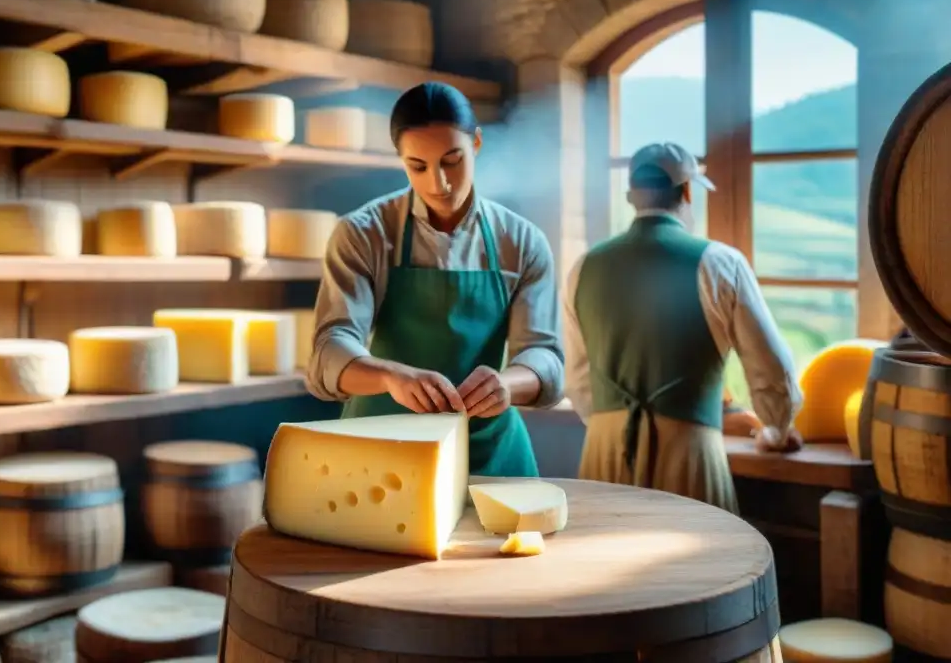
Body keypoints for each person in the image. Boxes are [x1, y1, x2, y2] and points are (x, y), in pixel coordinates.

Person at [305, 82, 565, 477]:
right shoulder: (363, 233)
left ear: (476, 143)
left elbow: (544, 356)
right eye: (418, 166)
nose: (437, 184)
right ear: (401, 159)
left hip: (488, 455)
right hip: (384, 455)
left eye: (452, 160)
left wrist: (506, 384)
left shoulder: (522, 241)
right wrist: (390, 376)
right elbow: (329, 350)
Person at [563, 142, 803, 513]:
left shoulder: (583, 268)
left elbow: (578, 381)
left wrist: (610, 425)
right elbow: (772, 370)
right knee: (696, 566)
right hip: (688, 452)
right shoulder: (721, 264)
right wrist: (777, 429)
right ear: (688, 191)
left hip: (605, 454)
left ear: (632, 196)